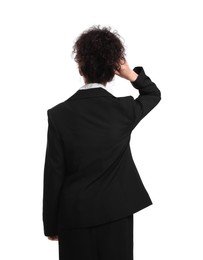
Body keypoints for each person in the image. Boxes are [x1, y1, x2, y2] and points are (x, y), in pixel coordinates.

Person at [42, 25, 161, 260]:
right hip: (117, 212)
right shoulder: (124, 110)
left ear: (80, 66)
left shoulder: (59, 114)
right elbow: (152, 94)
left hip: (74, 216)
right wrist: (130, 73)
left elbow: (53, 173)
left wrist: (51, 225)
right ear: (112, 69)